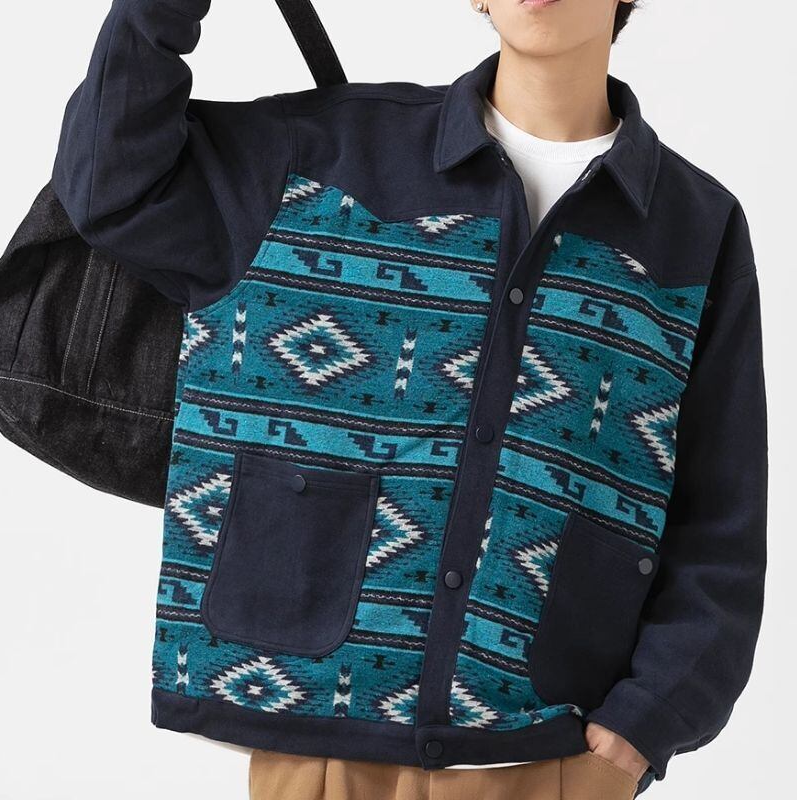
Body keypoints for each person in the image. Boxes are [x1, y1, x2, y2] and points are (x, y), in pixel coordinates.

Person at [50, 1, 768, 798]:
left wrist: (653, 716)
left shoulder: (693, 231)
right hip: (318, 740)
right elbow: (111, 183)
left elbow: (722, 518)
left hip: (550, 752)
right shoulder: (324, 150)